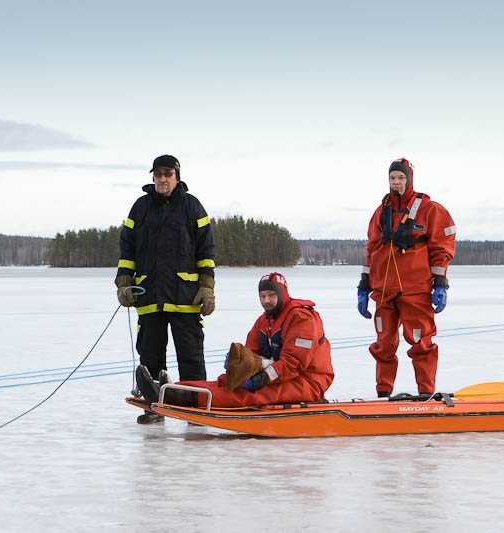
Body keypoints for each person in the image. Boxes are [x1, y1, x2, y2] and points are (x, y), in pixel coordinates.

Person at [134, 272, 334, 409]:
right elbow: (250, 354)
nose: (266, 301)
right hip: (282, 375)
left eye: (272, 295)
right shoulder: (264, 322)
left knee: (249, 394)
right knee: (226, 382)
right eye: (263, 296)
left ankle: (175, 397)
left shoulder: (302, 318)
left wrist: (261, 379)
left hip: (308, 381)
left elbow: (295, 363)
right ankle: (174, 388)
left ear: (283, 294)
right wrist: (238, 366)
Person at [115, 154, 216, 424]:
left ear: (177, 177)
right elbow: (127, 249)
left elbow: (206, 251)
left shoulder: (192, 206)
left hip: (186, 297)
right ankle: (153, 407)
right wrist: (124, 282)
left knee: (191, 357)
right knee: (150, 357)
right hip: (149, 295)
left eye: (167, 174)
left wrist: (207, 286)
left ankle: (195, 413)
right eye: (157, 175)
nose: (161, 179)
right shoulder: (140, 208)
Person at [356, 157, 456, 397]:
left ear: (409, 179)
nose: (396, 182)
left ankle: (426, 395)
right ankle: (383, 394)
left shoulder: (430, 210)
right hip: (383, 292)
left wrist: (440, 283)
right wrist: (363, 286)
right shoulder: (381, 212)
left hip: (415, 290)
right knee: (383, 346)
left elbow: (442, 247)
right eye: (392, 178)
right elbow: (372, 250)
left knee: (422, 345)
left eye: (401, 178)